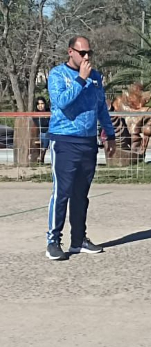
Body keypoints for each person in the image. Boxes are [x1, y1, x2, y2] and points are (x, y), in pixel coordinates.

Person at [45, 36, 116, 260]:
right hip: (64, 140)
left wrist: (109, 134)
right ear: (70, 52)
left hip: (88, 141)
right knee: (62, 193)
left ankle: (79, 240)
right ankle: (53, 241)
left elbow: (101, 107)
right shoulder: (57, 74)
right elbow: (61, 102)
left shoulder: (96, 77)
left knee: (81, 195)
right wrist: (80, 79)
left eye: (89, 53)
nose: (86, 57)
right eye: (82, 53)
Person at [34, 96, 50, 163]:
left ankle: (42, 154)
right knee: (45, 135)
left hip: (49, 133)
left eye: (42, 103)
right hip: (40, 133)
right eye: (38, 104)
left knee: (48, 134)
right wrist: (46, 118)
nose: (40, 105)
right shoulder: (35, 115)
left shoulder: (49, 112)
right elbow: (42, 125)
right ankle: (42, 155)